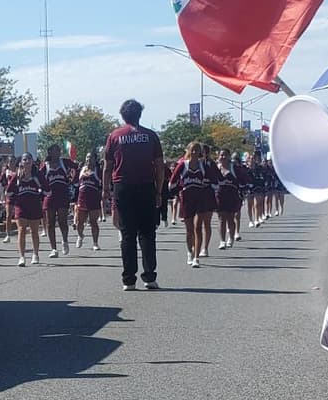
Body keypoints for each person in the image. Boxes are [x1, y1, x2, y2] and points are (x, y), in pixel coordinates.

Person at [102, 100, 164, 292]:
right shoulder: (151, 136)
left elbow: (107, 167)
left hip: (123, 187)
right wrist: (159, 191)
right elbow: (160, 166)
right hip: (146, 187)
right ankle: (149, 276)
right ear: (140, 114)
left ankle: (129, 279)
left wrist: (105, 190)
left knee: (127, 234)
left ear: (122, 115)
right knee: (147, 233)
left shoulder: (114, 136)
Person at [172, 140, 215, 268]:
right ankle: (189, 252)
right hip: (186, 199)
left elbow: (213, 178)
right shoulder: (183, 165)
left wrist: (211, 185)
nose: (195, 152)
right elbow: (172, 181)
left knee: (198, 227)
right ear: (189, 151)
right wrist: (177, 190)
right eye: (193, 150)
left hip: (200, 198)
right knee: (189, 230)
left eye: (197, 150)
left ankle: (196, 257)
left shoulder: (203, 165)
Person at [10, 152, 44, 266]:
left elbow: (47, 189)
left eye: (29, 159)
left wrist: (40, 193)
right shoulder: (17, 176)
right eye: (24, 159)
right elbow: (9, 190)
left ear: (32, 161)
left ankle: (35, 254)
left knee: (34, 231)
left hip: (34, 206)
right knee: (21, 230)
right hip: (21, 206)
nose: (27, 161)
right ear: (21, 162)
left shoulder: (37, 175)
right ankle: (22, 256)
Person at [40, 143, 72, 257]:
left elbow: (79, 167)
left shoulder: (64, 162)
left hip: (62, 196)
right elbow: (39, 178)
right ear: (49, 152)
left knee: (63, 221)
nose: (57, 153)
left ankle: (64, 240)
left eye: (59, 151)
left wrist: (72, 181)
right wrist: (42, 190)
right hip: (50, 197)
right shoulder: (46, 166)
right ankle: (53, 249)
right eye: (55, 151)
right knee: (50, 223)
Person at [74, 151, 103, 251]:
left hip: (93, 199)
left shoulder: (98, 170)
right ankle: (80, 235)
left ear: (95, 159)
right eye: (87, 157)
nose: (88, 159)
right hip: (81, 199)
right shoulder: (81, 169)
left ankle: (95, 243)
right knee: (79, 222)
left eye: (90, 157)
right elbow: (75, 182)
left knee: (93, 222)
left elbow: (102, 183)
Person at [214, 148, 243, 250]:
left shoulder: (234, 168)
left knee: (230, 218)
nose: (223, 157)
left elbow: (242, 179)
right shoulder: (216, 168)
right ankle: (222, 240)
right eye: (221, 155)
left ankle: (231, 238)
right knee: (221, 218)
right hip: (220, 196)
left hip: (232, 196)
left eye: (225, 155)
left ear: (229, 157)